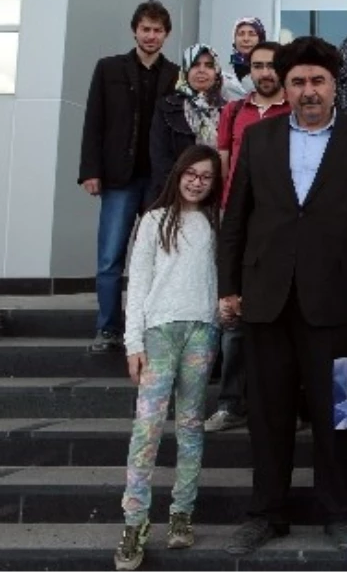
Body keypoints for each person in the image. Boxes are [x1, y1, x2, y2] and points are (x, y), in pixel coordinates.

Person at [218, 36, 347, 554]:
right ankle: (266, 512)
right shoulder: (259, 138)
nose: (308, 90)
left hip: (335, 297)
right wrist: (229, 286)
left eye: (317, 81)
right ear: (285, 87)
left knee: (332, 410)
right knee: (268, 410)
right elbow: (236, 219)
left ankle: (338, 510)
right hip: (265, 295)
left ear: (335, 84)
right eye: (298, 82)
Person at [114, 145, 223, 571]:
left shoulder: (216, 222)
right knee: (148, 429)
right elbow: (137, 283)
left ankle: (182, 512)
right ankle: (134, 521)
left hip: (202, 331)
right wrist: (132, 343)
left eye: (206, 177)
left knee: (192, 424)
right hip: (158, 334)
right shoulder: (153, 220)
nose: (197, 181)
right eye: (191, 173)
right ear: (177, 174)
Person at [79, 0, 178, 353]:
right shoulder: (109, 69)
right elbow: (94, 121)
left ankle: (151, 328)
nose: (151, 36)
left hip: (159, 182)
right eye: (145, 29)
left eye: (158, 30)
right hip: (118, 178)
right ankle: (107, 328)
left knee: (155, 257)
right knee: (110, 257)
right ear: (134, 30)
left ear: (166, 35)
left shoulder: (175, 74)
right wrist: (90, 171)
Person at [206, 41, 291, 434]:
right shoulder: (233, 110)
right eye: (258, 66)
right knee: (233, 314)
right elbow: (223, 161)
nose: (265, 73)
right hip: (240, 217)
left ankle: (290, 405)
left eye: (272, 65)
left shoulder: (294, 110)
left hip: (282, 221)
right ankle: (230, 402)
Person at [149, 45, 226, 201]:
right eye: (195, 65)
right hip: (173, 198)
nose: (202, 70)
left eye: (209, 66)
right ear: (185, 71)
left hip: (215, 199)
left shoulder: (228, 110)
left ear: (216, 72)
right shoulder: (167, 106)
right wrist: (181, 193)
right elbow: (160, 156)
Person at [222, 17, 266, 101]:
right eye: (241, 34)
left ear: (260, 38)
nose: (246, 39)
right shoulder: (223, 72)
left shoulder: (270, 70)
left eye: (252, 34)